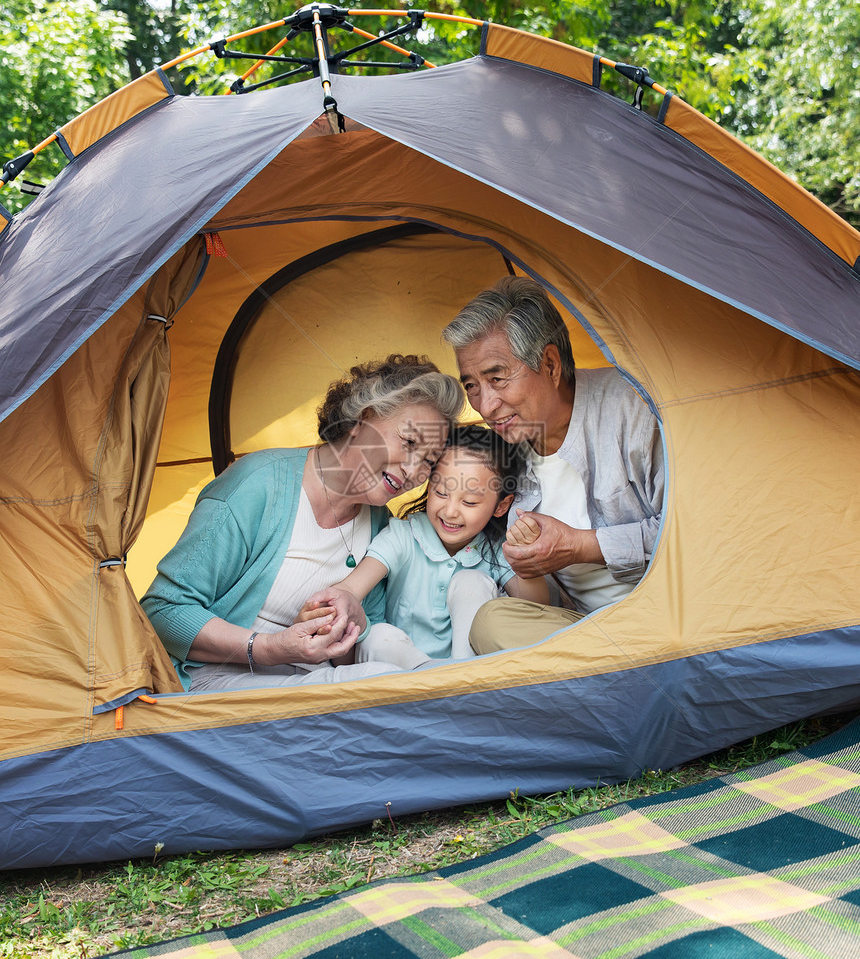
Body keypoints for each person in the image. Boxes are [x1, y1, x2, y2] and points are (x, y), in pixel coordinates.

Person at [141, 354, 464, 691]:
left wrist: (342, 628)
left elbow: (362, 649)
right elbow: (163, 611)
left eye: (429, 461)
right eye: (409, 442)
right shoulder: (258, 485)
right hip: (212, 680)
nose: (414, 471)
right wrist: (271, 648)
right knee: (379, 685)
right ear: (363, 420)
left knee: (383, 678)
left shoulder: (380, 524)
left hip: (312, 683)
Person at [441, 277, 664, 652]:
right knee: (493, 622)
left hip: (668, 614)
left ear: (550, 364)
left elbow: (695, 535)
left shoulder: (633, 409)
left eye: (497, 378)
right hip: (583, 632)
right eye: (472, 386)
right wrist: (527, 568)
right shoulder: (502, 453)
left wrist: (580, 546)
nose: (485, 405)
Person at [305, 425, 550, 669]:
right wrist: (335, 602)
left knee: (471, 581)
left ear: (500, 506)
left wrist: (525, 556)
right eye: (441, 492)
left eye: (469, 501)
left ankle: (462, 673)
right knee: (377, 637)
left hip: (469, 670)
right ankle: (433, 679)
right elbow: (353, 586)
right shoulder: (403, 535)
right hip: (400, 669)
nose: (450, 511)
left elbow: (537, 609)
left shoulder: (496, 548)